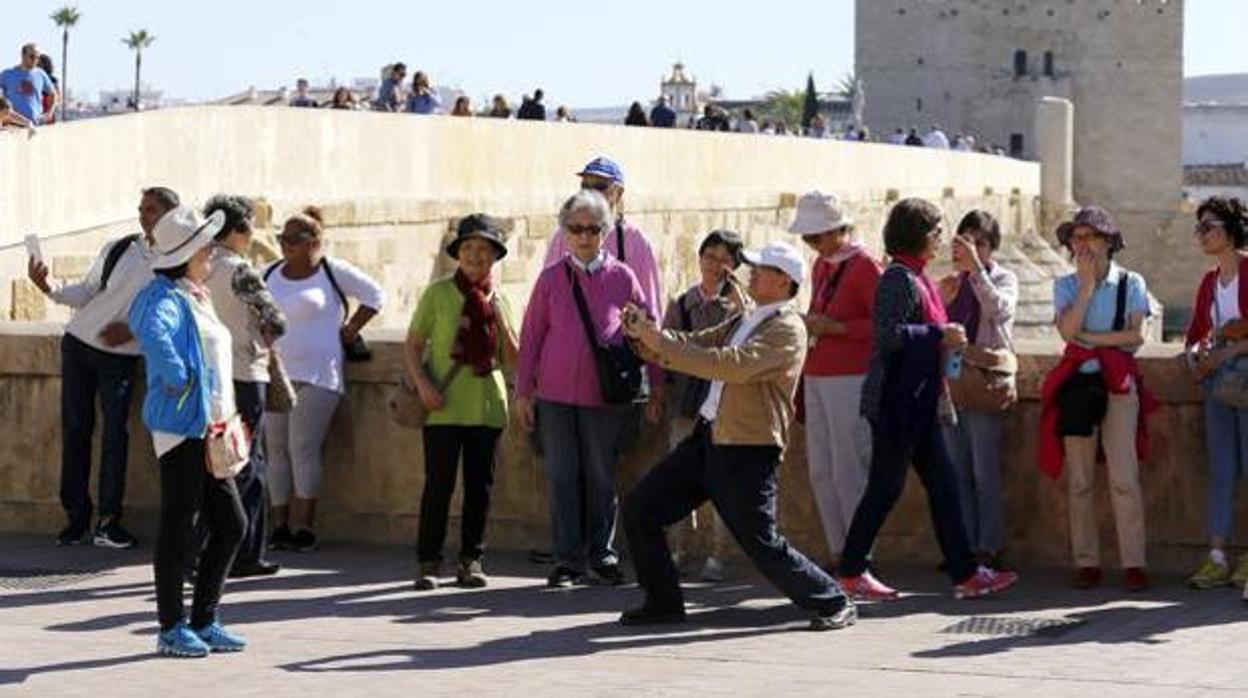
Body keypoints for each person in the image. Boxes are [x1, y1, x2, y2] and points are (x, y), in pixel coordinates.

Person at [620, 240, 857, 631]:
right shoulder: (744, 319)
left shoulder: (787, 328)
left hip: (748, 450)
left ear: (785, 282)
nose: (752, 273)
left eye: (762, 269)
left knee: (761, 543)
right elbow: (697, 343)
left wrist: (659, 343)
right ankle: (662, 602)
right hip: (708, 438)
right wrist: (650, 339)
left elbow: (733, 366)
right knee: (641, 508)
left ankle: (832, 600)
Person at [837, 198, 1019, 601]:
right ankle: (851, 569)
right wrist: (941, 335)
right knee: (886, 488)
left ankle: (966, 573)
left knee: (944, 486)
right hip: (898, 402)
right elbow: (886, 335)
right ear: (919, 235)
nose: (940, 240)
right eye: (937, 232)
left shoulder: (917, 279)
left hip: (920, 402)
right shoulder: (898, 278)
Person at [515, 189, 659, 587]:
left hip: (604, 397)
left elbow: (646, 331)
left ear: (604, 231)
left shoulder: (622, 276)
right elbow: (531, 338)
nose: (583, 237)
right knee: (562, 475)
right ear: (564, 232)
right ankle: (568, 560)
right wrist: (524, 392)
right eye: (576, 229)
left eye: (592, 229)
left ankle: (602, 553)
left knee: (601, 476)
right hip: (556, 396)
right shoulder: (550, 279)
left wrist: (658, 385)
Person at [28, 187, 180, 548]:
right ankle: (76, 519)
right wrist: (48, 287)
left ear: (172, 215)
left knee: (115, 435)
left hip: (122, 356)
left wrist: (133, 330)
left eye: (152, 209)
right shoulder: (120, 247)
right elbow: (88, 291)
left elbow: (173, 315)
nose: (144, 216)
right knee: (75, 429)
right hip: (79, 344)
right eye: (141, 209)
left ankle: (109, 521)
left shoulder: (176, 261)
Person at [129, 205, 247, 659]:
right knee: (179, 525)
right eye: (206, 247)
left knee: (231, 524)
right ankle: (171, 626)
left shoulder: (194, 292)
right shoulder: (162, 295)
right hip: (182, 428)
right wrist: (178, 377)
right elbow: (151, 332)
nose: (213, 253)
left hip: (209, 428)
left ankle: (202, 619)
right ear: (188, 253)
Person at [1039, 206, 1155, 592]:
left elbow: (1135, 336)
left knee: (1124, 478)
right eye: (1076, 237)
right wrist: (1086, 288)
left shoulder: (1132, 283)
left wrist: (1092, 340)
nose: (1081, 244)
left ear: (1107, 241)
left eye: (1088, 236)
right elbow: (1069, 334)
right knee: (1080, 481)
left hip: (1119, 386)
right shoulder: (1066, 286)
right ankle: (1086, 562)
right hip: (1078, 388)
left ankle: (1134, 562)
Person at [406, 215, 519, 590]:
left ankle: (472, 560)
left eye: (483, 249)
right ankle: (428, 562)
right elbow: (413, 344)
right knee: (438, 485)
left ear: (494, 257)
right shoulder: (437, 294)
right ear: (458, 253)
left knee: (479, 488)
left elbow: (515, 359)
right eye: (468, 248)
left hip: (486, 406)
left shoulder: (501, 299)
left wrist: (499, 319)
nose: (474, 255)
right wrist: (423, 386)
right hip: (442, 405)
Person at [264, 207, 384, 553]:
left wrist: (351, 328)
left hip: (319, 373)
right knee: (276, 451)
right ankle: (279, 525)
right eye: (281, 239)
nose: (285, 246)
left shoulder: (331, 271)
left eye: (293, 240)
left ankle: (304, 525)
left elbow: (375, 295)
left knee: (302, 447)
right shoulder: (269, 273)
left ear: (314, 242)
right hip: (276, 373)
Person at [791, 192, 882, 570]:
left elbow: (884, 325)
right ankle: (839, 550)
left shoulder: (865, 267)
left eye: (816, 236)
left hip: (850, 376)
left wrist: (838, 328)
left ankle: (860, 554)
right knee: (822, 469)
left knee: (849, 468)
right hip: (818, 372)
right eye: (809, 238)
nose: (812, 244)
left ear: (836, 230)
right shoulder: (821, 266)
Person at [199, 195, 287, 578]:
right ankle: (242, 552)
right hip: (246, 373)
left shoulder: (197, 265)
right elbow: (276, 319)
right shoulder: (240, 270)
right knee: (248, 462)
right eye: (249, 228)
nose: (251, 236)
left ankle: (209, 549)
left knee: (217, 461)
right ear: (235, 230)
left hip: (210, 373)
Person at [662, 230, 747, 581]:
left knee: (722, 482)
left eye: (723, 259)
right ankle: (677, 549)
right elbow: (665, 348)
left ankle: (718, 552)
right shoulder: (683, 304)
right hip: (686, 404)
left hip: (724, 406)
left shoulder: (742, 309)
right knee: (678, 478)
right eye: (709, 256)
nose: (714, 265)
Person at [937, 210, 1018, 571]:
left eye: (979, 242)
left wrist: (977, 273)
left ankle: (988, 546)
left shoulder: (1004, 278)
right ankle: (964, 545)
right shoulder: (953, 282)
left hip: (984, 381)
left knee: (985, 472)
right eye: (965, 241)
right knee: (956, 472)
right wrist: (943, 298)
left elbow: (999, 311)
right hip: (953, 381)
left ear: (991, 248)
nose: (970, 249)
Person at [1183, 197, 1248, 589]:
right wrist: (1196, 355)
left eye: (1208, 226)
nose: (1201, 234)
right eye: (1199, 228)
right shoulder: (1209, 281)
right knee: (1221, 472)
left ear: (1229, 230)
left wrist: (1232, 349)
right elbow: (1195, 333)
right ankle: (1217, 555)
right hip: (1218, 386)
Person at [542, 157, 664, 327]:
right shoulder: (563, 237)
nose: (590, 194)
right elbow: (545, 298)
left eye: (599, 187)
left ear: (618, 193)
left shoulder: (635, 242)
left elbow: (650, 309)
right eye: (585, 187)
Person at [0, 43, 57, 125]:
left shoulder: (40, 74)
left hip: (35, 124)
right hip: (12, 125)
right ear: (23, 56)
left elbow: (53, 94)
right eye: (32, 56)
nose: (35, 60)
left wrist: (50, 112)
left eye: (37, 57)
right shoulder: (7, 74)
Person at [36, 54, 57, 123]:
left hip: (47, 105)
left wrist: (50, 110)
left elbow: (57, 95)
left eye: (40, 64)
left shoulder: (52, 78)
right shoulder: (33, 77)